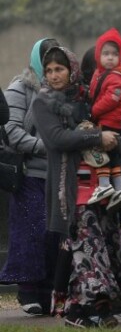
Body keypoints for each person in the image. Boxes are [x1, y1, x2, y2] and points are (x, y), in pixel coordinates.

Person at [32, 46, 121, 328]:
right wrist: (96, 136)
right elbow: (57, 139)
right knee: (88, 247)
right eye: (49, 71)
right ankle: (96, 308)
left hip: (100, 185)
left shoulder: (86, 96)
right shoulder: (42, 102)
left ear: (71, 70)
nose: (55, 76)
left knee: (101, 246)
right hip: (69, 190)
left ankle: (77, 311)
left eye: (60, 69)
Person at [0, 38, 61, 316]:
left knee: (55, 236)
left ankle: (51, 290)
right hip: (29, 176)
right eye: (46, 58)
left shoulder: (63, 91)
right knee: (32, 233)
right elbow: (10, 132)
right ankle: (28, 292)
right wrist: (46, 146)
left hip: (59, 176)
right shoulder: (20, 88)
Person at [87, 28, 121, 208]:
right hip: (110, 120)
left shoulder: (117, 75)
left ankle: (105, 185)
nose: (110, 57)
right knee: (114, 155)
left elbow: (113, 97)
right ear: (98, 55)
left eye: (115, 54)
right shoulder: (100, 74)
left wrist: (94, 111)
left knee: (101, 151)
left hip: (111, 121)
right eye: (106, 53)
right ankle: (119, 187)